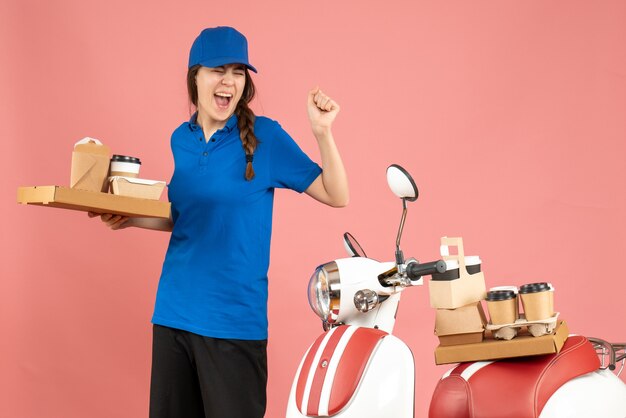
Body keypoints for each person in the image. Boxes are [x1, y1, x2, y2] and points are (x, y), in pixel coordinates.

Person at [88, 26, 348, 418]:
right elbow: (182, 217)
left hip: (233, 324)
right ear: (195, 76)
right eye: (218, 70)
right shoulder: (182, 138)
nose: (229, 81)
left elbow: (336, 194)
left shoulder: (266, 137)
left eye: (239, 72)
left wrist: (322, 133)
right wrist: (129, 220)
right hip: (173, 315)